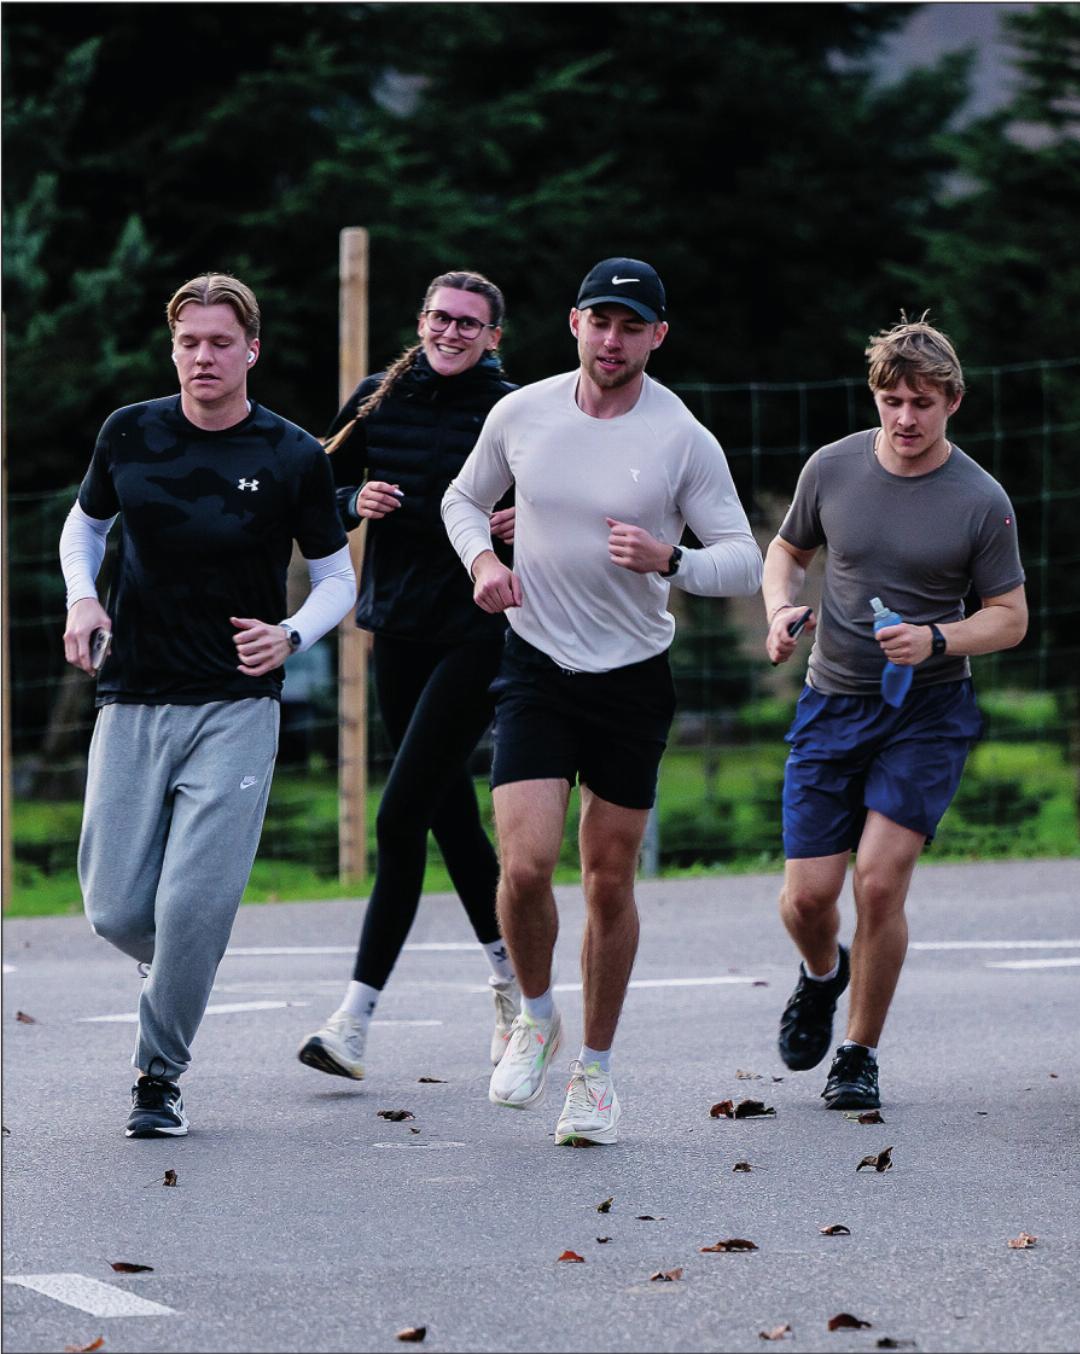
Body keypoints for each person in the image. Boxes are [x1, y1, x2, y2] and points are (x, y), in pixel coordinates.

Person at [441, 257, 763, 1145]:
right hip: (537, 662)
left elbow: (741, 556)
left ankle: (596, 1074)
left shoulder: (681, 437)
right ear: (574, 323)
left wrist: (672, 561)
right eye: (600, 321)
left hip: (631, 678)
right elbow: (463, 499)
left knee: (610, 879)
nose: (612, 340)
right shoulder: (521, 413)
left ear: (658, 336)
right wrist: (484, 564)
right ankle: (535, 1015)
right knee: (527, 866)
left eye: (632, 326)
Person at [59, 273, 355, 1138]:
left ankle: (159, 1077)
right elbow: (85, 527)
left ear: (251, 350)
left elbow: (339, 579)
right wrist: (84, 598)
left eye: (220, 343)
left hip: (236, 703)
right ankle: (189, 962)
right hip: (134, 695)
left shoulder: (293, 454)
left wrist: (293, 635)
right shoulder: (130, 434)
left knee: (191, 906)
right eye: (189, 342)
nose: (202, 357)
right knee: (115, 909)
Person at [763, 315, 1027, 1110]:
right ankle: (821, 973)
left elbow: (1009, 617)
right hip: (831, 702)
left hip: (928, 712)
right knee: (808, 899)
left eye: (922, 401)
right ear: (875, 398)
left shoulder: (981, 500)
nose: (905, 418)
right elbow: (788, 551)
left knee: (879, 885)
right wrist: (781, 607)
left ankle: (858, 1051)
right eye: (891, 400)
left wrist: (940, 638)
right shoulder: (832, 468)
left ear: (952, 401)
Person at [297, 270, 521, 1083]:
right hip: (395, 625)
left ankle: (352, 1019)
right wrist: (357, 498)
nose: (451, 332)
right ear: (420, 321)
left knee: (398, 818)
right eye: (438, 317)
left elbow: (570, 499)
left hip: (478, 629)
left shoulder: (517, 410)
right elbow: (312, 486)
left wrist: (526, 517)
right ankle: (515, 982)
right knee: (447, 814)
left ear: (494, 335)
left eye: (469, 322)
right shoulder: (376, 396)